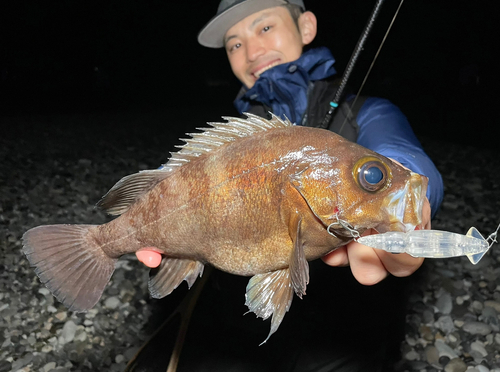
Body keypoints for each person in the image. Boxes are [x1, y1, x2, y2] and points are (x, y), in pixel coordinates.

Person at [197, 0, 443, 286]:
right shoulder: (230, 137)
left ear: (306, 27)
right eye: (235, 45)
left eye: (265, 27)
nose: (252, 52)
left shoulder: (369, 112)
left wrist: (397, 189)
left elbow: (404, 155)